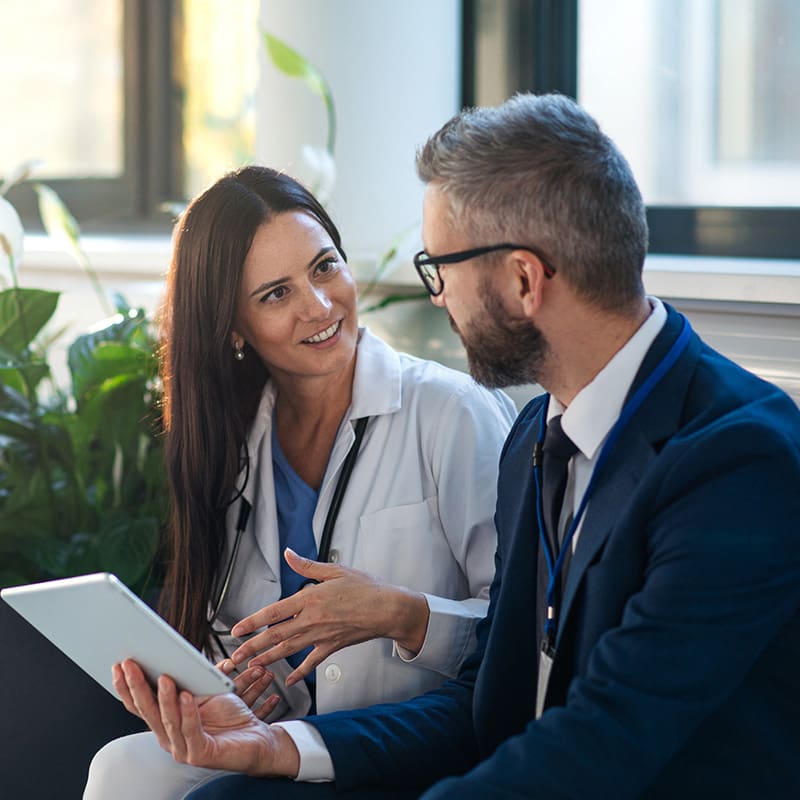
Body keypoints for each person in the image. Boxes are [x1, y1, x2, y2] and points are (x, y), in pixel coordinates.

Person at [113, 94, 800, 799]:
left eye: (439, 268)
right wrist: (283, 746)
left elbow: (608, 739)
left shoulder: (738, 458)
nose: (437, 297)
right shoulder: (539, 436)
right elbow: (484, 705)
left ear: (522, 280)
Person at [82, 166, 516, 798]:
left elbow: (521, 635)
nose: (319, 306)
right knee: (119, 770)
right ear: (233, 328)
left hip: (409, 743)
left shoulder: (452, 412)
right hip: (283, 736)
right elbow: (234, 626)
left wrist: (401, 614)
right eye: (275, 294)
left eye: (323, 267)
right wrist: (234, 677)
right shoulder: (233, 440)